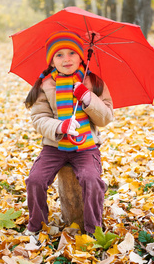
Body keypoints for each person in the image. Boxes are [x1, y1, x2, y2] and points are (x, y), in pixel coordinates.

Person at [24, 30, 113, 236]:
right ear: (52, 62)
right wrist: (59, 127)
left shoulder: (94, 82)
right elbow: (38, 118)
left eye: (72, 53)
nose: (66, 59)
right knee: (35, 180)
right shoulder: (45, 85)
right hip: (54, 147)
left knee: (91, 180)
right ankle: (36, 225)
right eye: (59, 55)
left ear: (81, 56)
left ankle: (93, 229)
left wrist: (88, 98)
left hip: (85, 147)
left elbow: (106, 117)